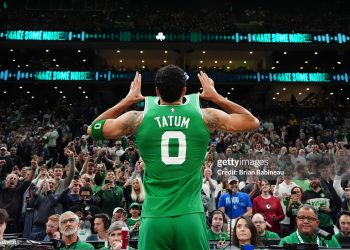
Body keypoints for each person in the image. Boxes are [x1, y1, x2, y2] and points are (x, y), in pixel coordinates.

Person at [88, 66, 259, 250]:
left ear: (156, 91)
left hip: (155, 218)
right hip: (190, 216)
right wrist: (215, 96)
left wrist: (126, 100)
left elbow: (93, 129)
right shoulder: (205, 115)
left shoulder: (137, 118)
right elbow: (252, 122)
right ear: (184, 90)